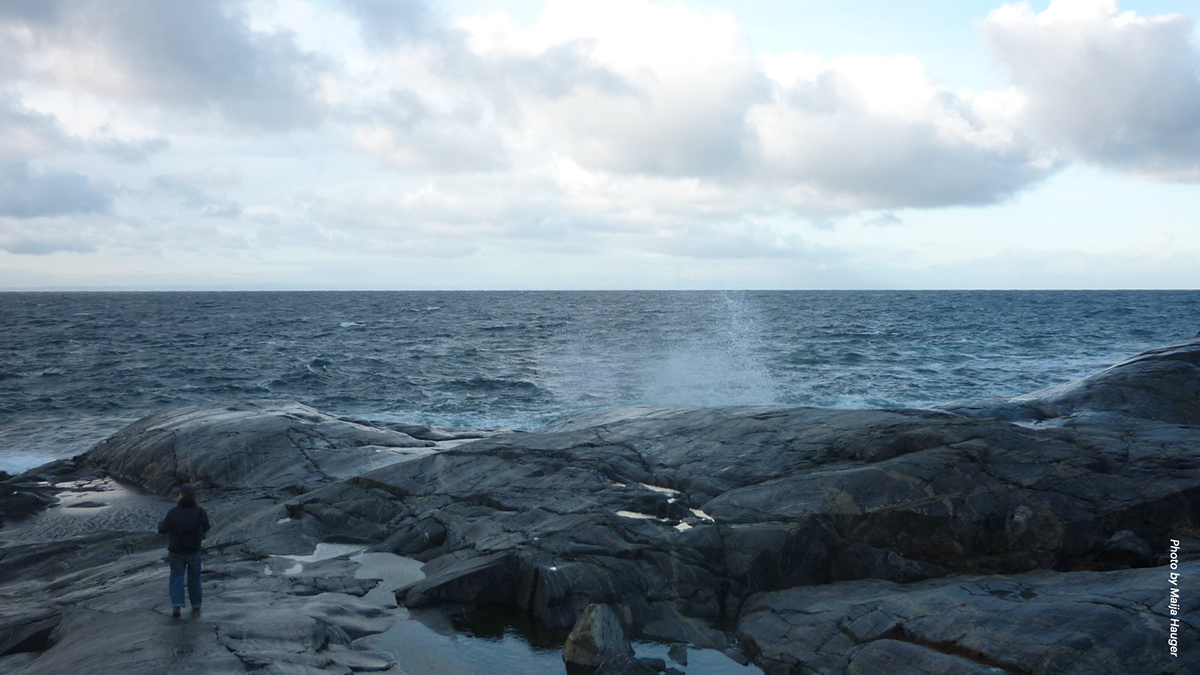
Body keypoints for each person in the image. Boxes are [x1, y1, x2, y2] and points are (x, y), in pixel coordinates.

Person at [157, 483, 211, 618]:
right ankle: (196, 604)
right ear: (195, 496)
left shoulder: (174, 512)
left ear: (181, 495)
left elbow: (163, 530)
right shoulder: (200, 512)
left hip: (176, 550)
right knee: (194, 578)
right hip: (194, 549)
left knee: (176, 577)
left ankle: (177, 606)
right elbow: (207, 527)